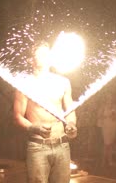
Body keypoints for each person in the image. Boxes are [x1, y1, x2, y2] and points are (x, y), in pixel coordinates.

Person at [14, 43, 78, 183]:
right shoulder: (24, 84)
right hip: (38, 146)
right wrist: (33, 127)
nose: (45, 56)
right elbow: (18, 115)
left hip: (62, 145)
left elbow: (70, 110)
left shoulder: (63, 82)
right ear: (31, 60)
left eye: (47, 53)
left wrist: (72, 124)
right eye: (40, 53)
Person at [97, 93, 116, 167]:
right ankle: (103, 161)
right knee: (106, 143)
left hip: (113, 124)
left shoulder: (114, 106)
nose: (110, 99)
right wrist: (105, 116)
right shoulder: (103, 107)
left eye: (111, 97)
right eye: (108, 97)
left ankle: (110, 161)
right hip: (106, 125)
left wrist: (113, 115)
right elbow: (99, 116)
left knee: (111, 143)